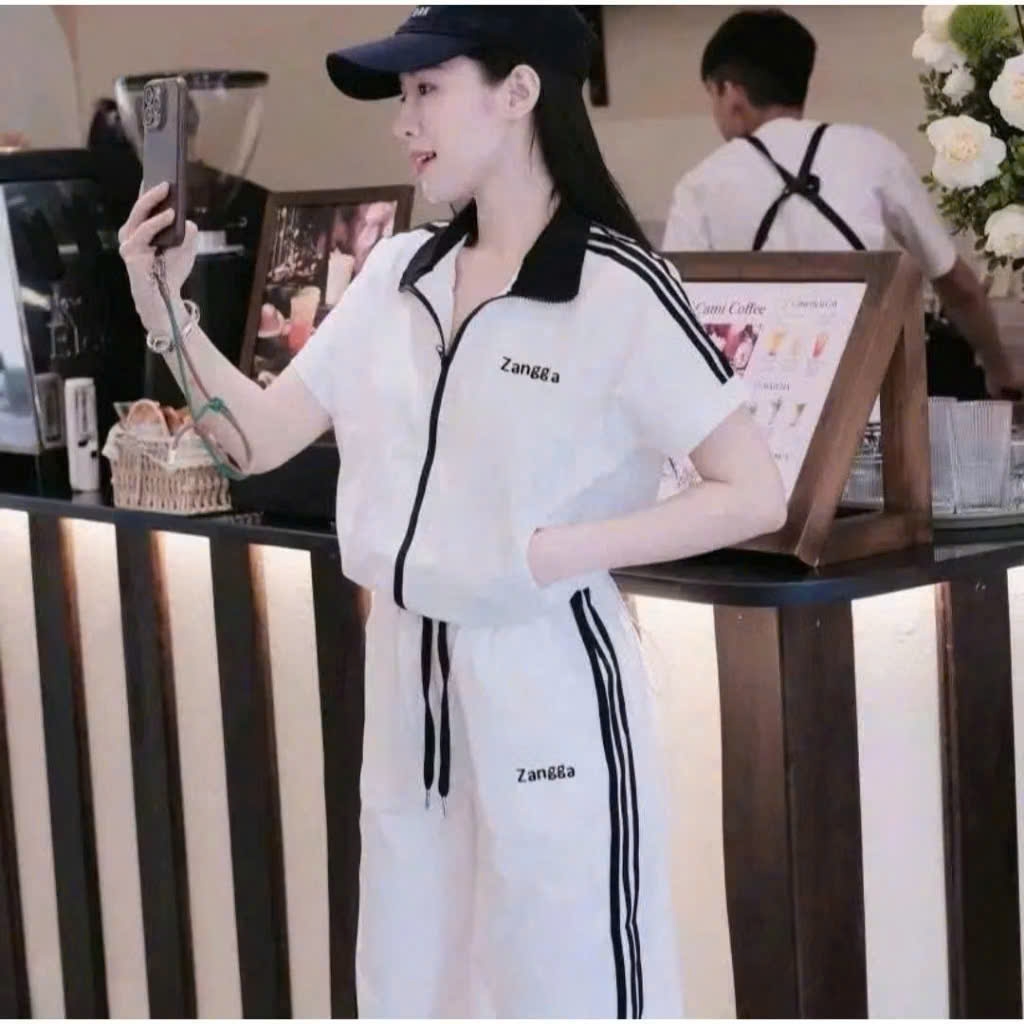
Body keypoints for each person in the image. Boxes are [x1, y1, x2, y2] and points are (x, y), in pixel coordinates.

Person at [117, 7, 786, 1017]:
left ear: (518, 93)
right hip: (407, 675)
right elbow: (258, 441)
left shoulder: (617, 287)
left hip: (546, 676)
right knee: (412, 980)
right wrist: (164, 310)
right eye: (403, 95)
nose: (404, 121)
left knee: (565, 983)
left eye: (427, 89)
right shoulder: (398, 274)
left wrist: (542, 553)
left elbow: (752, 490)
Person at [662, 7, 1022, 400]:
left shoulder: (699, 185)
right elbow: (957, 284)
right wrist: (1000, 371)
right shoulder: (872, 152)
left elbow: (671, 317)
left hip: (753, 411)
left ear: (730, 93)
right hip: (865, 402)